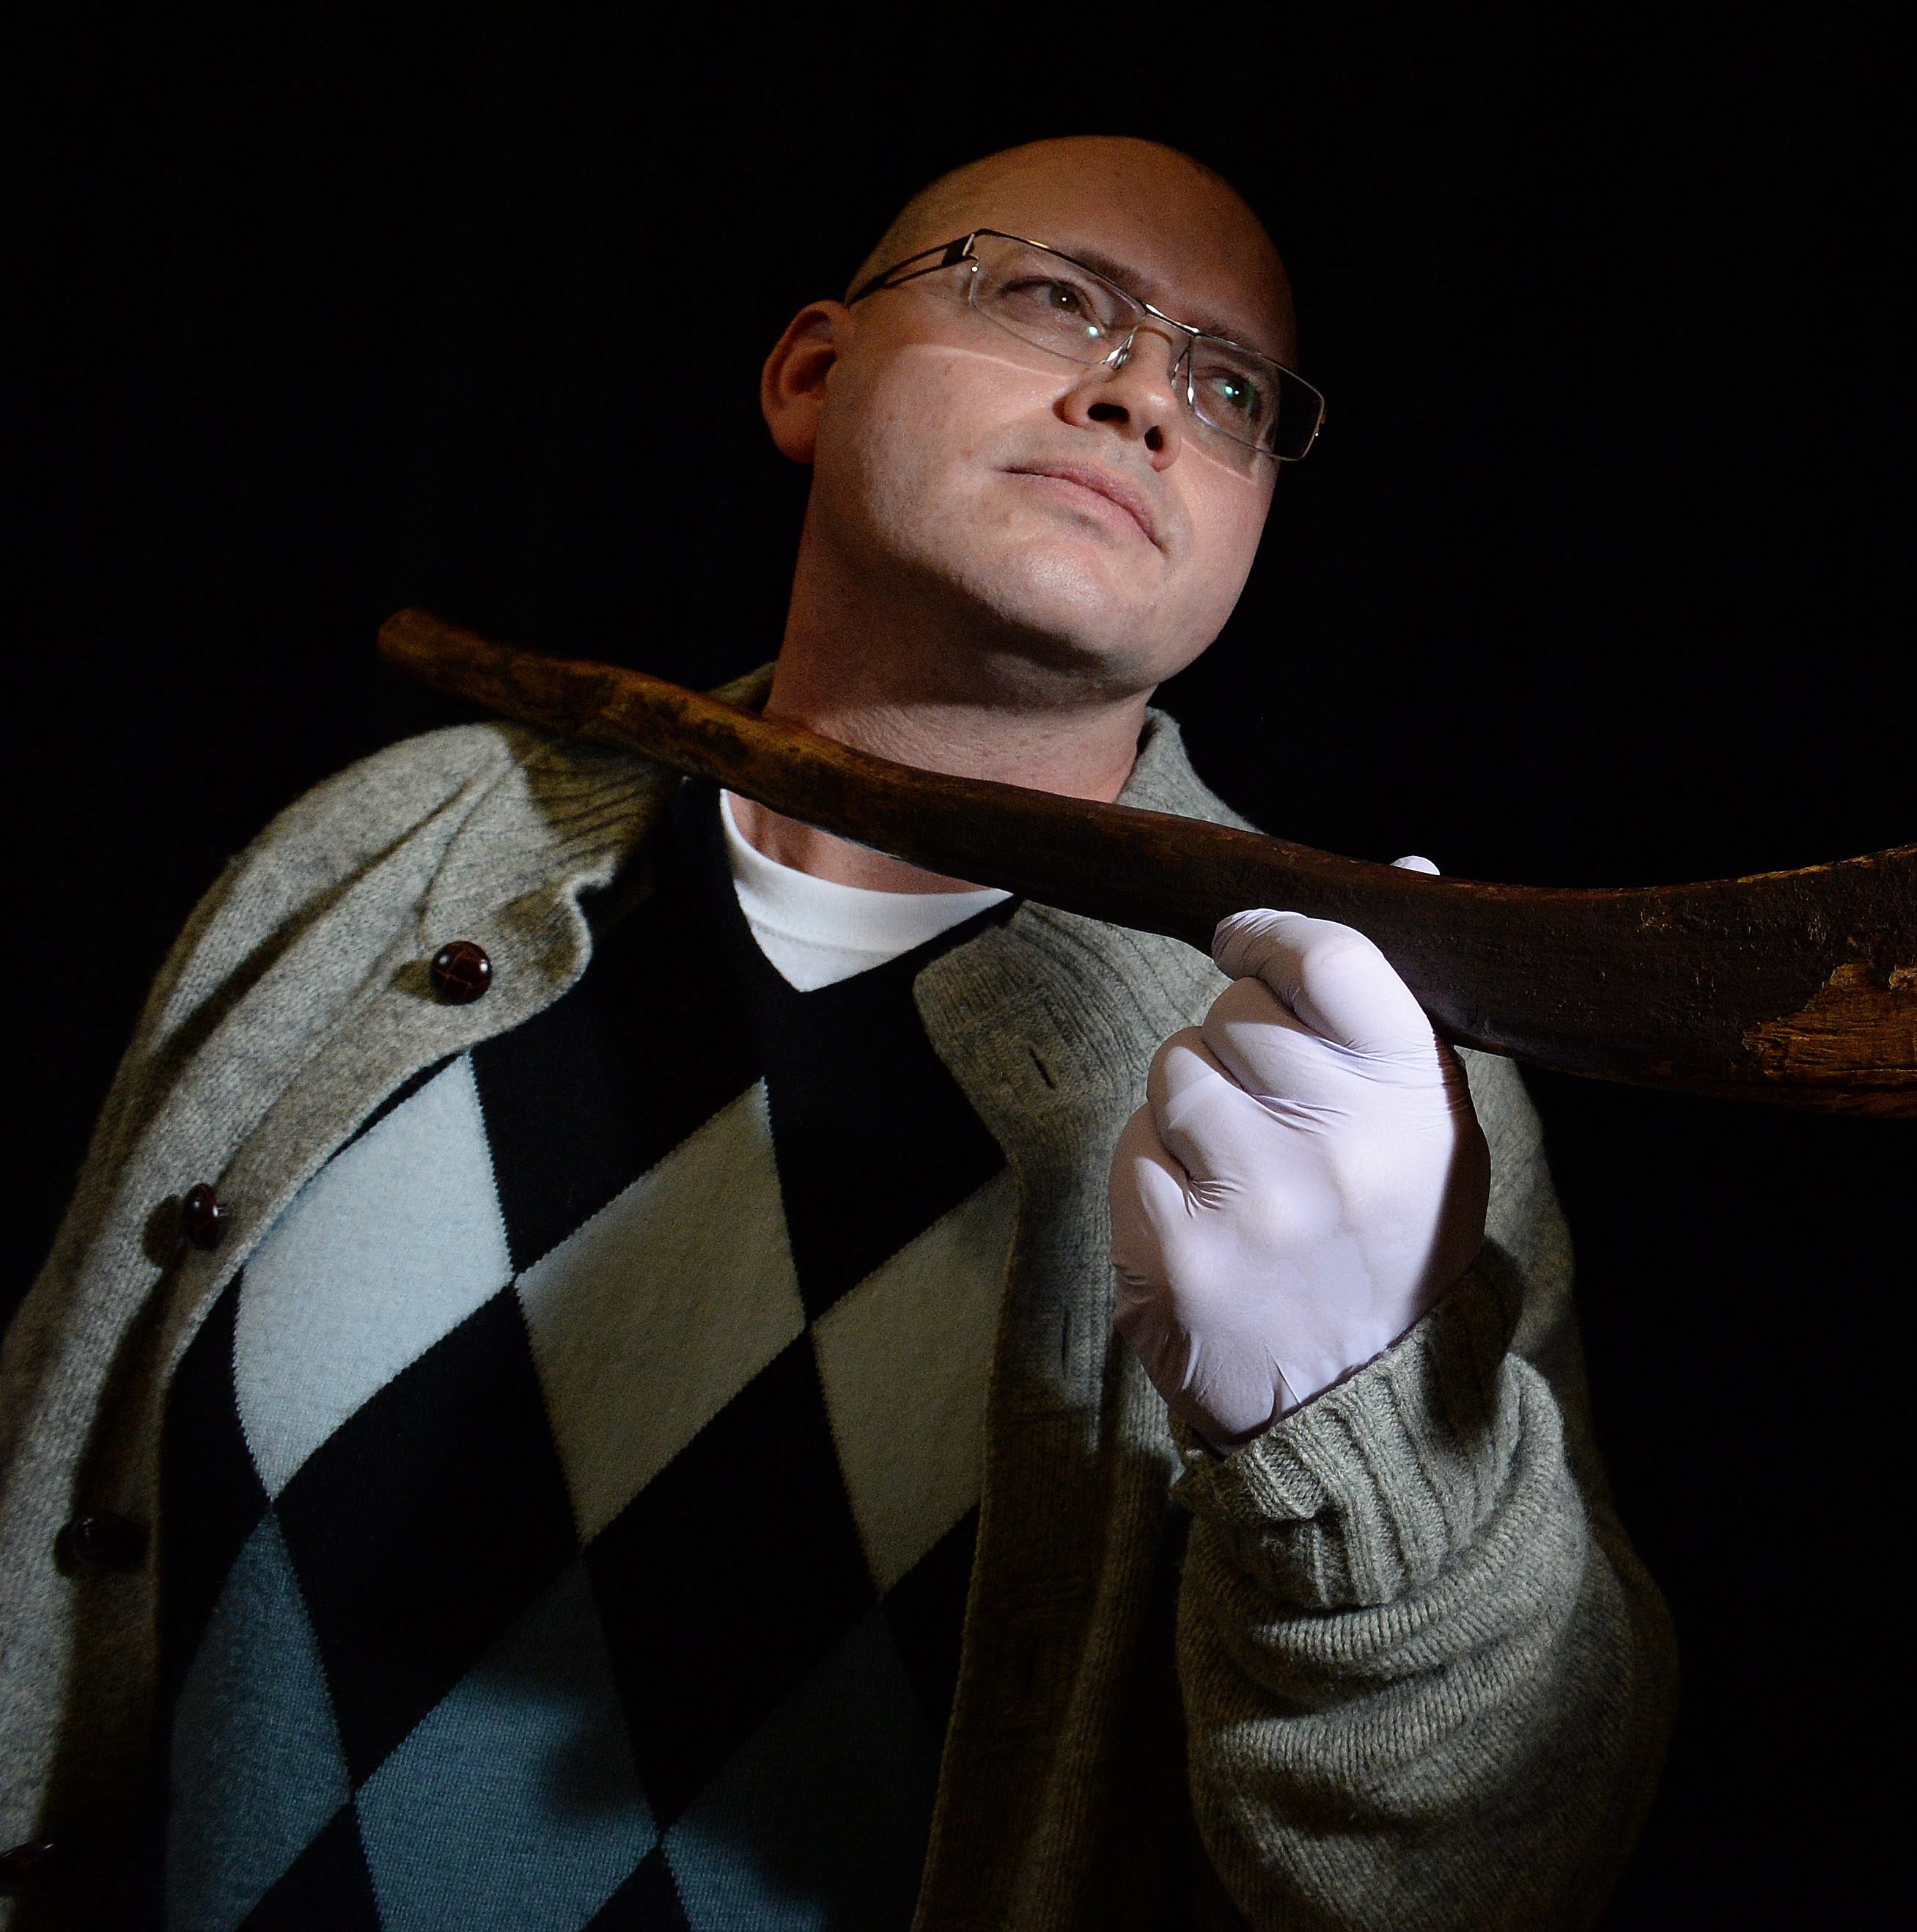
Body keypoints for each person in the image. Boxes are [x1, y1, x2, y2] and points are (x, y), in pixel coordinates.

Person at [0, 137, 1676, 1928]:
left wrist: (1361, 1427)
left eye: (1231, 385)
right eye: (1054, 296)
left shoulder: (1357, 1084)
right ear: (811, 371)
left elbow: (1495, 1868)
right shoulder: (388, 858)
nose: (1139, 400)